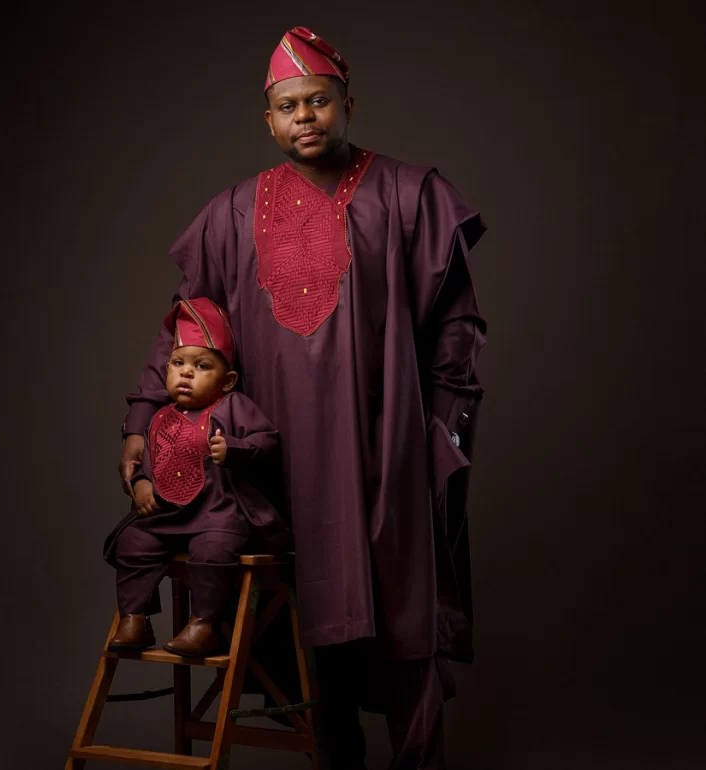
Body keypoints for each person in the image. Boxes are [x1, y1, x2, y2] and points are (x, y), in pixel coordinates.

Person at [118, 26, 487, 769]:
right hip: (272, 456)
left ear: (348, 103)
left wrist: (442, 435)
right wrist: (142, 418)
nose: (305, 117)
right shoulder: (231, 213)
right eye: (288, 107)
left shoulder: (409, 195)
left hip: (384, 447)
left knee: (402, 612)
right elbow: (188, 322)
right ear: (269, 120)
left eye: (318, 101)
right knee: (306, 620)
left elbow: (457, 327)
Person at [105, 297, 289, 657]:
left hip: (217, 513)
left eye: (201, 366)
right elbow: (150, 459)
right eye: (178, 363)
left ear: (228, 380)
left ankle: (204, 624)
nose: (186, 373)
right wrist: (141, 483)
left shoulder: (234, 406)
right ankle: (135, 619)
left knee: (214, 549)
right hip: (168, 514)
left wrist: (234, 448)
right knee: (133, 542)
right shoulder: (161, 415)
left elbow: (267, 442)